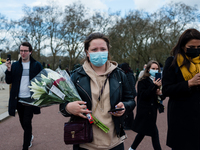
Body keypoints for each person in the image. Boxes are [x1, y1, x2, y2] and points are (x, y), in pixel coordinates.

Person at [60, 32, 136, 150]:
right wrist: (68, 107)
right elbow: (62, 106)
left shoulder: (119, 75)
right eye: (94, 49)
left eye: (103, 49)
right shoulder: (76, 76)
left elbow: (131, 100)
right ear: (87, 52)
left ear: (108, 51)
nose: (99, 52)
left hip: (114, 142)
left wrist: (125, 106)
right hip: (84, 143)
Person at [162, 28, 200, 150]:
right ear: (183, 46)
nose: (196, 50)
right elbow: (166, 89)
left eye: (198, 47)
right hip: (181, 119)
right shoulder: (172, 62)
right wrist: (189, 83)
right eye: (191, 47)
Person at [5, 42, 43, 150]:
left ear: (30, 52)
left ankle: (25, 146)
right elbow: (8, 81)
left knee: (27, 121)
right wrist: (8, 70)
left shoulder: (37, 65)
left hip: (30, 100)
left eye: (25, 51)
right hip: (18, 99)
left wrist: (41, 100)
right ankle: (29, 136)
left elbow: (43, 82)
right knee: (22, 121)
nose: (23, 53)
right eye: (21, 51)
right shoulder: (15, 65)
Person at [129, 60, 162, 150]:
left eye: (157, 69)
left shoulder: (158, 81)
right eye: (153, 68)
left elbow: (160, 97)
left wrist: (160, 94)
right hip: (145, 111)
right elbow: (144, 95)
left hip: (152, 111)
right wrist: (154, 86)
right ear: (148, 69)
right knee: (154, 133)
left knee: (143, 132)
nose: (155, 70)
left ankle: (132, 148)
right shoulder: (142, 81)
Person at [118, 63, 136, 130]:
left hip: (131, 93)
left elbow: (131, 85)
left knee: (130, 111)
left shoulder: (129, 74)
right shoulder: (128, 73)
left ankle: (130, 124)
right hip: (130, 93)